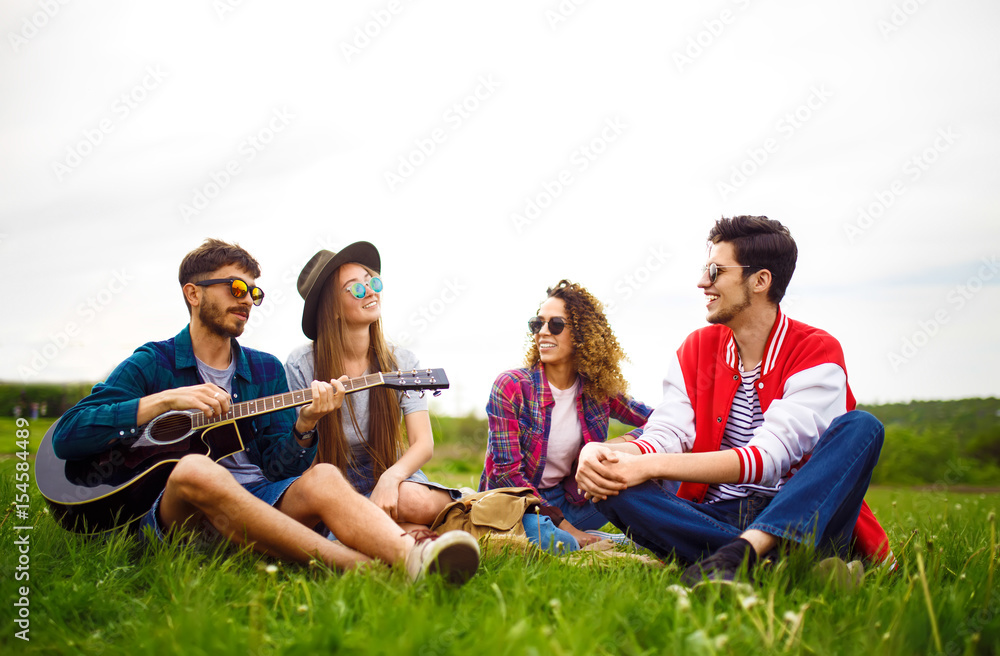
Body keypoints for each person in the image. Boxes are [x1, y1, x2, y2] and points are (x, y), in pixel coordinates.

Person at [52, 239, 479, 583]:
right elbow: (68, 435)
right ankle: (360, 568)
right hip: (179, 509)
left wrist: (305, 427)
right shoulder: (154, 363)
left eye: (253, 291)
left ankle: (413, 557)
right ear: (193, 293)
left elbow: (277, 469)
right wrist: (165, 401)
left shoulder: (265, 369)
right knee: (195, 471)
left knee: (325, 476)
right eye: (235, 288)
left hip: (260, 497)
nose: (248, 300)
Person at [575, 216, 893, 584]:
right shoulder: (695, 349)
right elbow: (663, 435)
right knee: (608, 484)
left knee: (862, 428)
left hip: (804, 513)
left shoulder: (816, 351)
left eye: (715, 271)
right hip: (715, 514)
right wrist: (600, 453)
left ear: (760, 281)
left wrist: (650, 467)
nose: (702, 282)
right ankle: (777, 568)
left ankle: (738, 555)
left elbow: (766, 459)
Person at [285, 242, 458, 530]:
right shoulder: (301, 364)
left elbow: (422, 443)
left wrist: (390, 480)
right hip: (330, 482)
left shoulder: (401, 360)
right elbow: (299, 461)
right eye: (356, 288)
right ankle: (403, 536)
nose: (371, 291)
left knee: (415, 502)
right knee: (405, 530)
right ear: (333, 309)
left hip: (389, 473)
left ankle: (379, 530)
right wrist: (309, 420)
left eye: (372, 281)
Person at [479, 280, 653, 553]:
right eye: (538, 324)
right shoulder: (512, 386)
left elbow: (658, 421)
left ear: (582, 335)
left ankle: (662, 529)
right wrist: (567, 527)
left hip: (570, 500)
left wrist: (617, 446)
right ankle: (602, 542)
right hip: (517, 504)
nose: (543, 332)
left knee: (663, 453)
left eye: (556, 325)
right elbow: (507, 476)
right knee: (551, 539)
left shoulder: (597, 389)